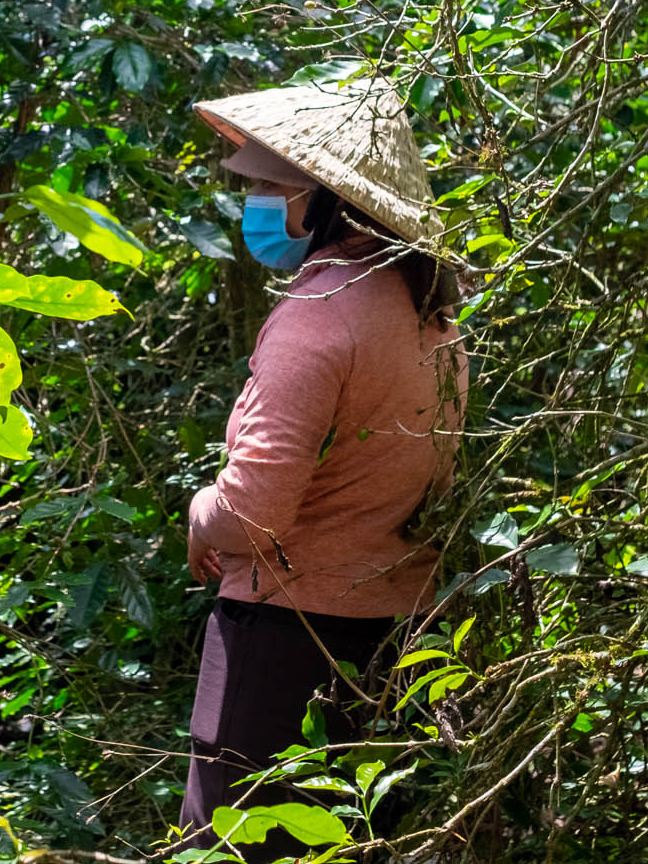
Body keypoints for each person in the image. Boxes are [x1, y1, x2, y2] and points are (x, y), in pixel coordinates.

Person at [178, 76, 469, 859]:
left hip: (283, 639)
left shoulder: (317, 318)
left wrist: (201, 512)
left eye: (271, 187)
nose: (256, 204)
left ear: (325, 200)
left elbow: (251, 513)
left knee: (234, 846)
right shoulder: (429, 314)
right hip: (397, 640)